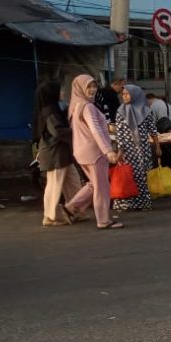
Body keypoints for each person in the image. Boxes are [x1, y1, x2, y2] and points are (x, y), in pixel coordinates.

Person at [64, 74, 123, 229]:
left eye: (94, 86)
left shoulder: (75, 106)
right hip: (94, 152)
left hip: (81, 152)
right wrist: (108, 150)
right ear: (80, 88)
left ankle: (71, 208)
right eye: (88, 86)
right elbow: (95, 129)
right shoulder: (88, 107)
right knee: (102, 187)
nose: (92, 89)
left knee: (93, 184)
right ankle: (103, 220)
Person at [33, 81, 82, 227]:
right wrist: (78, 132)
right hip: (55, 153)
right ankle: (50, 217)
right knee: (55, 185)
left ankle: (75, 211)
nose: (62, 93)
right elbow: (57, 131)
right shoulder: (50, 111)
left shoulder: (55, 109)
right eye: (59, 91)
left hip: (61, 153)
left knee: (73, 183)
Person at [114, 85, 159, 212]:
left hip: (142, 149)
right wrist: (120, 151)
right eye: (123, 94)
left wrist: (157, 147)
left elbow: (153, 131)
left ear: (136, 95)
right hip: (127, 151)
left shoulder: (146, 111)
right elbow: (120, 134)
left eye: (127, 94)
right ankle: (125, 203)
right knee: (127, 176)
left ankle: (143, 203)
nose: (125, 96)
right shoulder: (120, 112)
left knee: (141, 176)